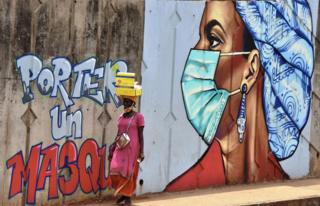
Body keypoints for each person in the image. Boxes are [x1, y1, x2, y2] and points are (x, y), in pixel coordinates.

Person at [166, 0, 314, 191]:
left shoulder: (283, 188)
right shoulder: (181, 192)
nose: (197, 53)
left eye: (213, 40)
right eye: (200, 38)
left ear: (251, 69)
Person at [108, 95, 145, 206]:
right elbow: (118, 133)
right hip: (121, 147)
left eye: (128, 102)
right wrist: (113, 147)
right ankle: (123, 194)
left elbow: (141, 135)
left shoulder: (139, 117)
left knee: (129, 171)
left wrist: (142, 151)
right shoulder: (121, 116)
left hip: (132, 148)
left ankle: (127, 197)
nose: (126, 104)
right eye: (124, 102)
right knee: (115, 168)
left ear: (133, 103)